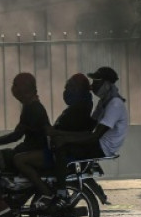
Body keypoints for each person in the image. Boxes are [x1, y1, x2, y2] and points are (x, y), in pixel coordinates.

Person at [45, 66, 128, 207]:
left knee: (61, 148)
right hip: (97, 142)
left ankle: (61, 192)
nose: (93, 85)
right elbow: (90, 126)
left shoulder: (114, 104)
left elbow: (95, 136)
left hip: (102, 147)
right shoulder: (104, 102)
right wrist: (62, 133)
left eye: (97, 82)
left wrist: (64, 138)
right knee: (62, 142)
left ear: (107, 84)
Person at [0, 72, 50, 217]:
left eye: (16, 85)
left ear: (25, 88)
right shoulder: (30, 106)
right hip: (27, 149)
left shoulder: (33, 108)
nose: (13, 89)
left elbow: (16, 135)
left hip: (31, 151)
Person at [13, 73, 94, 204]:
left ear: (78, 90)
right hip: (58, 149)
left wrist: (54, 132)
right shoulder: (77, 107)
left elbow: (74, 133)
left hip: (62, 153)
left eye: (70, 87)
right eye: (66, 87)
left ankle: (47, 193)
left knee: (19, 159)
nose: (66, 91)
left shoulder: (80, 109)